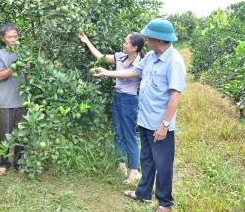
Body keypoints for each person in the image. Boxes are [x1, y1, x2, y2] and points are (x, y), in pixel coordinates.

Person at [94, 18, 186, 212]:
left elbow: (175, 95)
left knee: (163, 163)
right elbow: (134, 72)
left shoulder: (174, 61)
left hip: (159, 123)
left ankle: (164, 203)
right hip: (145, 118)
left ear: (158, 39)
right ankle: (143, 193)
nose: (145, 40)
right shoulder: (151, 56)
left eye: (148, 37)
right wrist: (107, 73)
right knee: (147, 158)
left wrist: (165, 124)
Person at [78, 32, 145, 184]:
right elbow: (101, 57)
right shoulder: (120, 56)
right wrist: (87, 41)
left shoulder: (141, 63)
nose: (123, 44)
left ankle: (133, 171)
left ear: (134, 48)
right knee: (117, 132)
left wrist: (107, 73)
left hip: (129, 100)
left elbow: (126, 74)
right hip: (118, 98)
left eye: (126, 43)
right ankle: (121, 165)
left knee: (129, 135)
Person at [0, 23, 27, 175]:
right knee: (5, 134)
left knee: (21, 134)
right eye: (10, 37)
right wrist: (14, 67)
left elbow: (28, 75)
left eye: (15, 36)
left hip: (22, 100)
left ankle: (19, 162)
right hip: (5, 100)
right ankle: (4, 163)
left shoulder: (23, 53)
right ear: (3, 39)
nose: (13, 39)